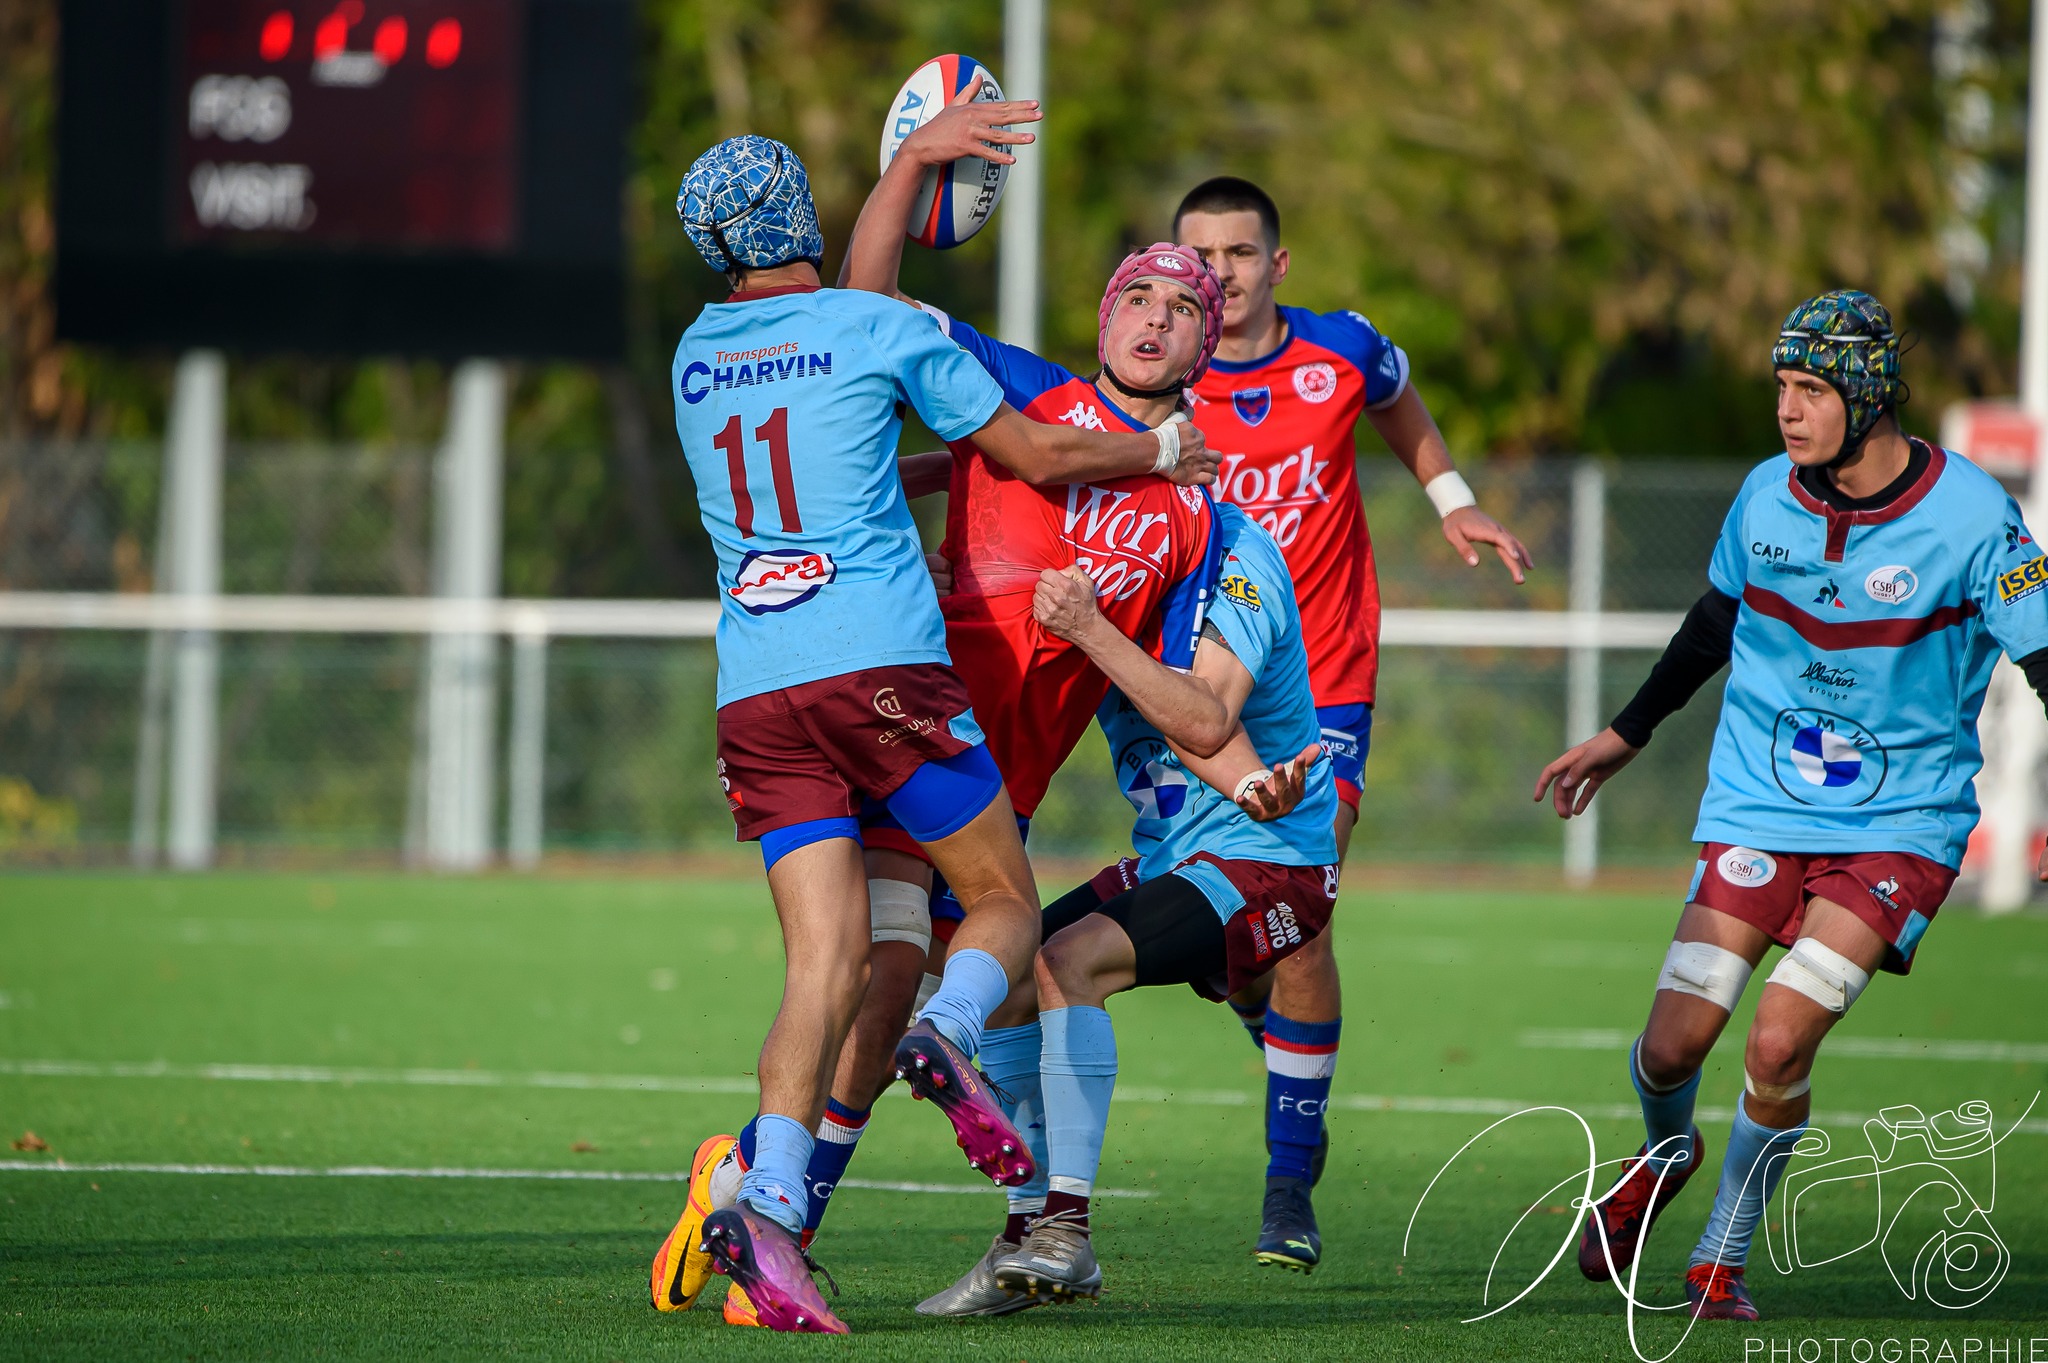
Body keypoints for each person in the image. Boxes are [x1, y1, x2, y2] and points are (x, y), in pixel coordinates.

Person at [665, 92, 1312, 1329]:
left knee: (869, 973)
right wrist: (908, 169)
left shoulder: (1206, 529)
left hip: (845, 713)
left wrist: (1245, 779)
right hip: (908, 708)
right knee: (927, 962)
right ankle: (828, 1164)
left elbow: (1184, 698)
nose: (1160, 314)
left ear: (1208, 345)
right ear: (1104, 314)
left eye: (1187, 307)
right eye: (1139, 295)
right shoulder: (1027, 392)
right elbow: (864, 312)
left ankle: (761, 1207)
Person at [1534, 290, 2048, 1321]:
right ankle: (1663, 1149)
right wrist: (1624, 733)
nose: (1785, 409)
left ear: (1864, 397)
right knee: (1670, 1045)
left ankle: (1718, 1261)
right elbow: (1709, 624)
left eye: (1808, 389)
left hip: (1898, 827)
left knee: (1775, 1041)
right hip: (1755, 807)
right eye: (1779, 387)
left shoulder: (1974, 516)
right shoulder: (1765, 495)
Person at [1172, 175, 1534, 1270]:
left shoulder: (1341, 352)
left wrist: (1450, 495)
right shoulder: (1154, 374)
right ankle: (1292, 1065)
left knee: (1304, 907)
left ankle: (1289, 1178)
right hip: (1198, 693)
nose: (1219, 275)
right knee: (1233, 955)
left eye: (1240, 254)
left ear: (1276, 265)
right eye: (1201, 256)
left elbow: (1399, 405)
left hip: (1322, 685)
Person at [953, 500, 1340, 1306]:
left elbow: (1206, 716)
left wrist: (1091, 627)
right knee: (999, 968)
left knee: (1067, 961)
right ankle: (1026, 1229)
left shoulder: (1235, 553)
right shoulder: (1084, 555)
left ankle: (1066, 1232)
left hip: (1270, 856)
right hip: (1173, 855)